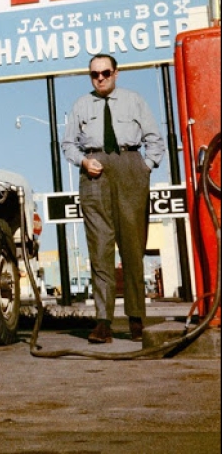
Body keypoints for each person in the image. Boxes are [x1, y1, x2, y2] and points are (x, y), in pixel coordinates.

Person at [62, 54, 165, 344]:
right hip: (95, 173)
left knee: (132, 246)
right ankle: (103, 322)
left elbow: (155, 137)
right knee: (100, 248)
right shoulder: (81, 105)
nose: (100, 78)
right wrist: (83, 162)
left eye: (106, 73)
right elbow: (68, 144)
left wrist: (145, 167)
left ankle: (136, 319)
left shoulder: (134, 100)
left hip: (130, 167)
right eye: (94, 74)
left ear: (116, 73)